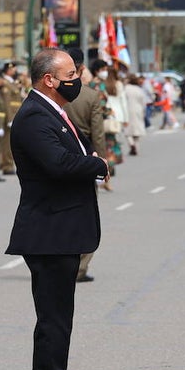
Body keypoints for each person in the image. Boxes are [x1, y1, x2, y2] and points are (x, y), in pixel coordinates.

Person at [5, 48, 108, 370]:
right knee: (53, 321)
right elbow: (59, 164)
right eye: (69, 73)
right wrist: (97, 164)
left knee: (59, 319)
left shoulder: (51, 111)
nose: (75, 78)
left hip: (60, 230)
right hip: (49, 232)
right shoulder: (34, 116)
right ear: (49, 79)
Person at [62, 50, 107, 282]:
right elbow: (98, 134)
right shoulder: (91, 96)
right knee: (87, 214)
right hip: (85, 158)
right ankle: (80, 267)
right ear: (80, 70)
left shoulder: (52, 95)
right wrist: (103, 165)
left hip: (58, 157)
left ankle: (61, 262)